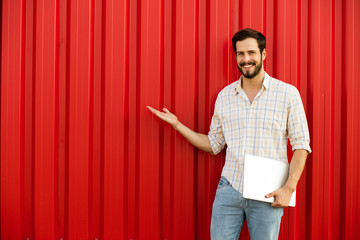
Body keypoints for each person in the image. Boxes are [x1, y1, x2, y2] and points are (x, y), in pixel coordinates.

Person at [147, 28, 311, 240]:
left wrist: (289, 188)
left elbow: (301, 145)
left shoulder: (288, 94)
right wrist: (178, 125)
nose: (246, 59)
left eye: (251, 53)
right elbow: (214, 144)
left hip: (268, 193)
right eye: (240, 54)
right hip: (229, 189)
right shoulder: (225, 96)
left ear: (263, 54)